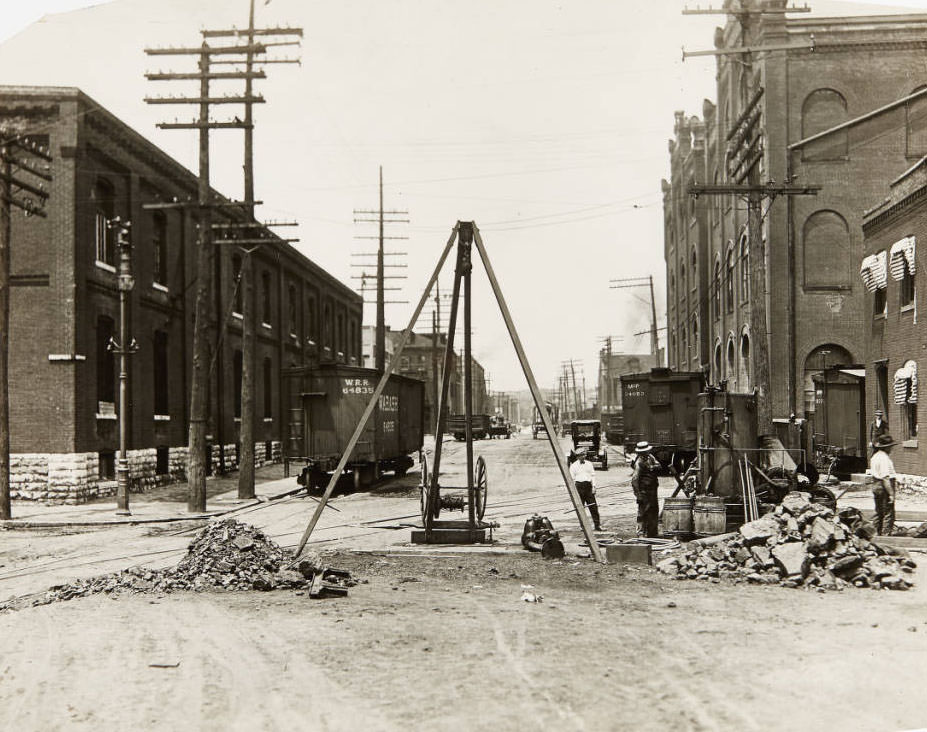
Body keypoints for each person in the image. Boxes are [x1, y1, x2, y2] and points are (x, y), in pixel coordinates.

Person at [631, 440, 660, 538]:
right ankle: (640, 533)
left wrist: (651, 467)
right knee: (643, 512)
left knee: (653, 510)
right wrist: (638, 495)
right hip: (644, 490)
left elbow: (659, 465)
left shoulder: (650, 457)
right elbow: (634, 480)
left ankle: (652, 532)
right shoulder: (638, 462)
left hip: (652, 489)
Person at [869, 433, 897, 536]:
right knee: (888, 513)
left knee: (878, 511)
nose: (891, 449)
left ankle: (875, 534)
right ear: (886, 447)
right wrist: (891, 494)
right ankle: (886, 536)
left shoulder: (875, 456)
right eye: (890, 447)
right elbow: (885, 478)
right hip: (884, 486)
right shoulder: (884, 458)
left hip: (876, 485)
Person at [569, 449, 602, 531]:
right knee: (581, 508)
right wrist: (574, 491)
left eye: (585, 454)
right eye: (582, 455)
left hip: (588, 487)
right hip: (579, 487)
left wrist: (594, 487)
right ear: (578, 456)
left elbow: (593, 475)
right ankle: (582, 526)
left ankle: (597, 525)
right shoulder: (573, 466)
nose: (585, 456)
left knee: (593, 507)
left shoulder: (589, 464)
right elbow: (572, 479)